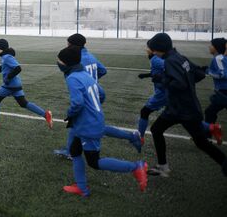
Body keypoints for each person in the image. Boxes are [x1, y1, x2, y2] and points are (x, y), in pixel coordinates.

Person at [57, 45, 148, 197]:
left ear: (65, 64)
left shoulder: (72, 78)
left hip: (87, 125)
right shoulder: (85, 74)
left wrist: (70, 113)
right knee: (75, 151)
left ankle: (135, 167)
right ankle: (81, 187)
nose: (57, 63)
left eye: (58, 61)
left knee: (94, 162)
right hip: (91, 121)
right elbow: (102, 94)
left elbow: (77, 103)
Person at [146, 33, 227, 177]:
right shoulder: (180, 57)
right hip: (190, 107)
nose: (153, 53)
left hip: (178, 109)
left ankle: (163, 168)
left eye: (153, 50)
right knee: (201, 142)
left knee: (156, 129)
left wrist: (161, 79)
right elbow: (199, 74)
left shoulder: (170, 61)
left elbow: (179, 83)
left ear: (159, 49)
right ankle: (225, 163)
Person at [54, 34, 141, 158]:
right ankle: (131, 136)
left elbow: (78, 84)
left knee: (80, 124)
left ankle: (71, 152)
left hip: (86, 97)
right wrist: (93, 82)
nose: (66, 45)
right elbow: (103, 70)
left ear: (72, 45)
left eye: (68, 43)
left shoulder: (76, 61)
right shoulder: (90, 56)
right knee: (90, 126)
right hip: (95, 94)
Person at [0, 39, 53, 129]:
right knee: (23, 103)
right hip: (15, 85)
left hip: (10, 85)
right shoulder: (6, 56)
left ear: (3, 49)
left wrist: (8, 77)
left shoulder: (7, 57)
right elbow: (3, 67)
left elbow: (18, 68)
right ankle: (46, 114)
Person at [202, 38, 226, 145]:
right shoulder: (222, 58)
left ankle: (207, 138)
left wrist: (208, 71)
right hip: (223, 92)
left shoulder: (218, 58)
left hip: (224, 92)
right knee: (210, 112)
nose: (209, 47)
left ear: (216, 47)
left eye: (211, 45)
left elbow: (222, 74)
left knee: (209, 112)